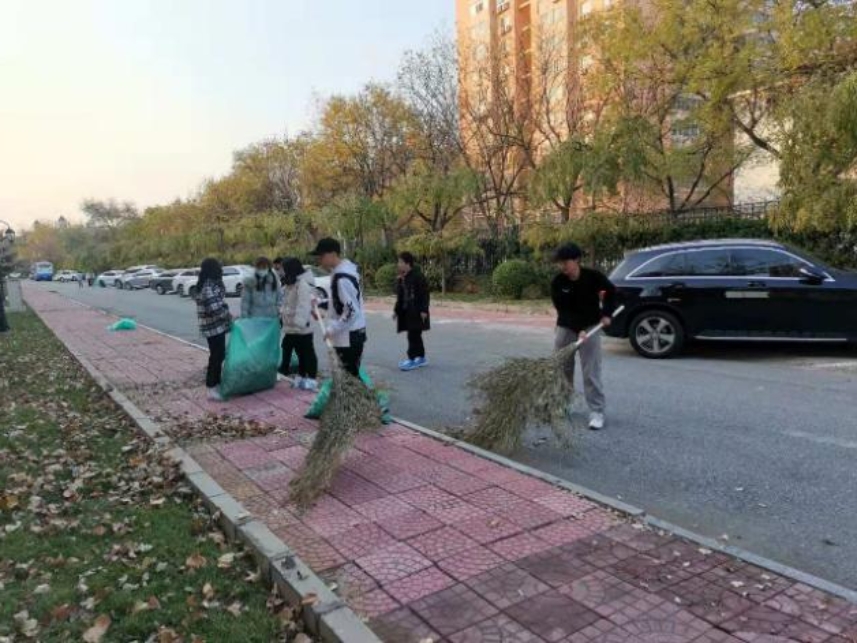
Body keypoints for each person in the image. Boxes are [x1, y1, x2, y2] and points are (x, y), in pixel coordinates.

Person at [551, 242, 616, 431]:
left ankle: (596, 411)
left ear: (577, 260)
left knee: (591, 371)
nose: (562, 266)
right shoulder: (558, 282)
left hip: (591, 326)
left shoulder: (593, 277)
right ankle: (563, 404)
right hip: (567, 328)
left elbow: (612, 293)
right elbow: (563, 310)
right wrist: (578, 329)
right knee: (562, 368)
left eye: (565, 262)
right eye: (560, 262)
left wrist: (607, 314)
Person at [311, 238, 366, 377]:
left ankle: (356, 392)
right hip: (350, 334)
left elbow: (352, 311)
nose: (319, 260)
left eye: (321, 256)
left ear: (333, 254)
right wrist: (320, 303)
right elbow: (339, 301)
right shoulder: (341, 272)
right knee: (348, 376)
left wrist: (332, 329)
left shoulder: (342, 278)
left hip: (349, 336)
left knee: (349, 378)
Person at [279, 258, 319, 390]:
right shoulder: (289, 284)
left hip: (302, 327)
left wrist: (298, 323)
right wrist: (282, 315)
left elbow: (303, 306)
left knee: (307, 353)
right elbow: (287, 304)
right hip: (292, 327)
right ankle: (301, 376)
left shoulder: (302, 285)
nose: (281, 272)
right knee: (299, 352)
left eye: (283, 269)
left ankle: (312, 378)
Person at [195, 258, 232, 401]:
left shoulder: (208, 284)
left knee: (218, 355)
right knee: (217, 356)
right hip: (214, 328)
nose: (220, 269)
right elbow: (215, 308)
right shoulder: (208, 287)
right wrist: (229, 316)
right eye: (218, 267)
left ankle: (215, 383)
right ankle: (211, 386)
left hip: (213, 327)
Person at [394, 252, 430, 371]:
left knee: (413, 335)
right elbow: (400, 296)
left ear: (407, 263)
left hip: (417, 311)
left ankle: (412, 359)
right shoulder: (403, 277)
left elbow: (425, 294)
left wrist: (424, 310)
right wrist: (396, 311)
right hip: (407, 312)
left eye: (400, 262)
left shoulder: (418, 276)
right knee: (415, 335)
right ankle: (421, 357)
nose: (398, 264)